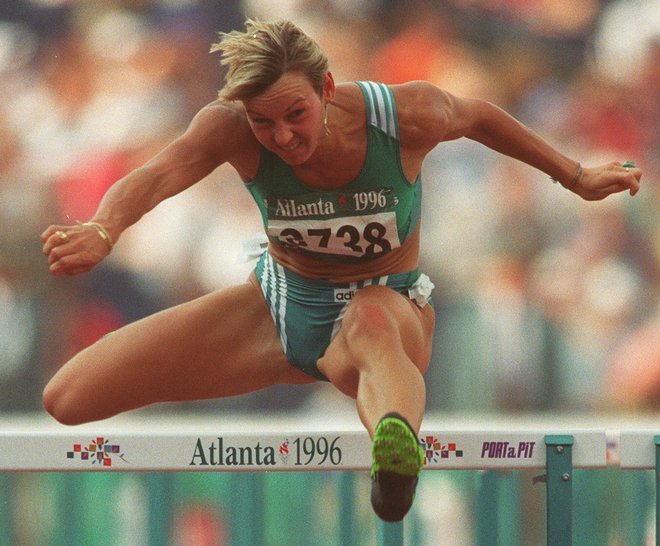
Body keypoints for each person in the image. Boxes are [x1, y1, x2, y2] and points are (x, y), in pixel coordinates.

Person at [40, 19, 642, 522]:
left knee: (370, 316)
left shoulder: (405, 114)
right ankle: (367, 410)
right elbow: (155, 177)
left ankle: (395, 463)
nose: (281, 136)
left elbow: (481, 118)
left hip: (388, 312)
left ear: (327, 87)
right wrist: (102, 229)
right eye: (263, 122)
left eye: (295, 114)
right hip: (279, 310)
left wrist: (576, 176)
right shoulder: (228, 127)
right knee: (67, 398)